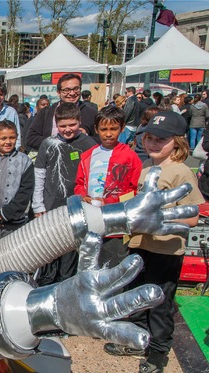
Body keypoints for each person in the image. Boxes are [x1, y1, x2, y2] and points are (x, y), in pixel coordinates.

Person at [104, 111, 204, 373]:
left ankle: (158, 353)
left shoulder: (181, 172)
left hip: (165, 249)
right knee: (136, 295)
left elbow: (193, 217)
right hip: (138, 244)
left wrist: (159, 219)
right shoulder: (147, 166)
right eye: (149, 138)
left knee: (160, 303)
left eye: (161, 140)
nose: (153, 144)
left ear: (178, 142)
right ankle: (138, 339)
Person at [32, 103, 96, 286]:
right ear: (56, 124)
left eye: (72, 125)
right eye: (63, 125)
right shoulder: (48, 144)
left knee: (69, 258)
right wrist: (38, 206)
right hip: (50, 208)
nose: (67, 129)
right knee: (48, 256)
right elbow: (39, 175)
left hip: (76, 211)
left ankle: (65, 291)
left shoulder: (88, 144)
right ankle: (45, 290)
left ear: (80, 122)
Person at [75, 106, 142, 267]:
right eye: (104, 129)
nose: (109, 134)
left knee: (114, 267)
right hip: (91, 222)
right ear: (96, 129)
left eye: (113, 129)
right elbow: (79, 183)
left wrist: (110, 202)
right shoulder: (88, 155)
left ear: (122, 128)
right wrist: (82, 196)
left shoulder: (130, 156)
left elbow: (135, 190)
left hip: (116, 225)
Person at [25, 73, 98, 154]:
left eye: (76, 89)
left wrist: (85, 138)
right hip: (52, 162)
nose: (72, 93)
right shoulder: (46, 112)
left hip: (81, 163)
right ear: (58, 92)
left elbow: (102, 140)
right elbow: (31, 138)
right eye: (66, 90)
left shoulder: (91, 113)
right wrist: (56, 144)